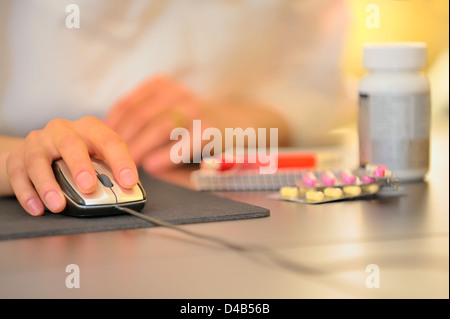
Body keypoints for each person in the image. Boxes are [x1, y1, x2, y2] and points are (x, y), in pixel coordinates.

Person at [0, 0, 355, 216]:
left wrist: (238, 118)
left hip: (211, 182)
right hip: (26, 179)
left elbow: (314, 84)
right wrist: (17, 158)